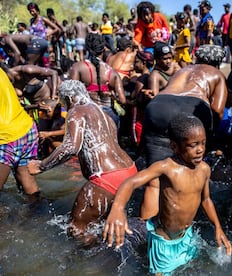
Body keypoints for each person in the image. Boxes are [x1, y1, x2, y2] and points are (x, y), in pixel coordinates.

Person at [103, 114, 232, 274]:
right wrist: (117, 208)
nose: (200, 149)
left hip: (186, 235)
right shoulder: (166, 168)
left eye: (203, 143)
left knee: (189, 268)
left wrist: (218, 227)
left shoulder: (204, 169)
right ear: (174, 147)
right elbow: (131, 182)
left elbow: (206, 200)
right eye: (193, 145)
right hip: (164, 241)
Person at [27, 80, 137, 244]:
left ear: (69, 99)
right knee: (103, 226)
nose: (66, 108)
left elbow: (71, 147)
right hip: (128, 171)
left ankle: (95, 266)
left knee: (76, 229)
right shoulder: (103, 113)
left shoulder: (77, 111)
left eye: (64, 104)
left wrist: (41, 165)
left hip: (107, 176)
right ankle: (113, 256)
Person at [139, 48, 228, 220]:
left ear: (196, 58)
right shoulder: (216, 74)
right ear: (217, 63)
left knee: (154, 181)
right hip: (192, 109)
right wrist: (210, 137)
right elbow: (218, 111)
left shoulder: (183, 70)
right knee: (187, 174)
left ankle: (144, 233)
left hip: (159, 106)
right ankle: (179, 226)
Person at [69, 33, 126, 128]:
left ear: (87, 48)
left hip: (88, 115)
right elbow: (122, 100)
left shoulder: (78, 67)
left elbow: (71, 95)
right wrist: (112, 95)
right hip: (110, 116)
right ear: (103, 49)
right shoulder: (112, 72)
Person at [0, 68, 40, 204]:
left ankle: (9, 226)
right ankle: (38, 216)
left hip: (6, 136)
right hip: (26, 128)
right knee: (26, 178)